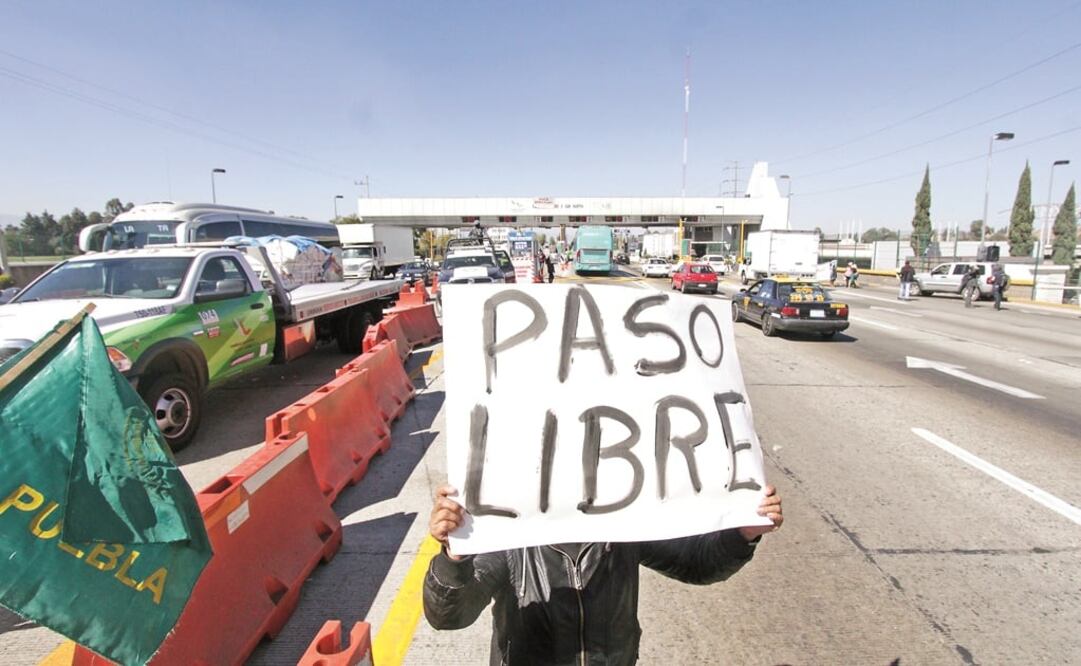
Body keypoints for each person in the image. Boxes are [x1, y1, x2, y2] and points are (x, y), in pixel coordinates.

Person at [424, 484, 783, 665]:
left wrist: (743, 533)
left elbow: (697, 564)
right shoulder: (508, 535)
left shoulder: (623, 524)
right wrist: (455, 557)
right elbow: (448, 616)